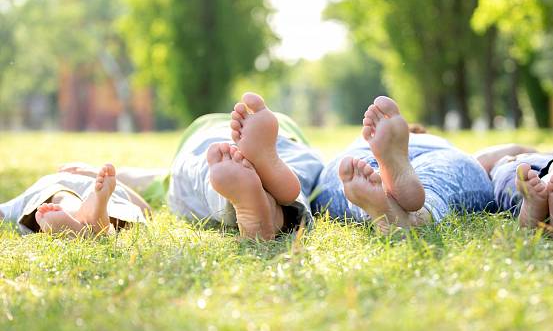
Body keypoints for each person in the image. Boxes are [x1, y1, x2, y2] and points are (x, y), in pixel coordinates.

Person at [149, 92, 324, 240]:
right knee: (299, 170)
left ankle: (258, 207)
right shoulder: (279, 125)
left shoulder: (201, 135)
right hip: (290, 142)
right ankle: (276, 213)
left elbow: (137, 179)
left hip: (205, 137)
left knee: (207, 171)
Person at [312, 96, 495, 233]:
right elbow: (488, 157)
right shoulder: (434, 140)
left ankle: (381, 199)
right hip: (436, 153)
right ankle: (416, 217)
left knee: (356, 173)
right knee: (437, 180)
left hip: (362, 150)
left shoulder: (362, 140)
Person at [0, 164, 149, 237]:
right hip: (107, 198)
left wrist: (92, 173)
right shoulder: (102, 185)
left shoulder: (49, 182)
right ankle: (96, 223)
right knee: (62, 198)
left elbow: (2, 212)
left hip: (71, 190)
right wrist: (93, 174)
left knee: (61, 198)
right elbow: (145, 209)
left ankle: (86, 221)